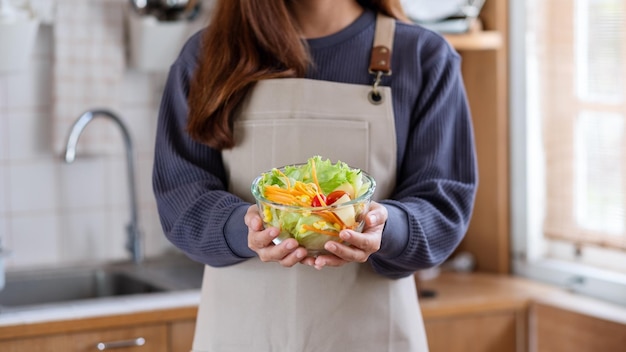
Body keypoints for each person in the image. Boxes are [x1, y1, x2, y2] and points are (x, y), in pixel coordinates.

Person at [152, 0, 478, 351]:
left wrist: (388, 227)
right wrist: (244, 227)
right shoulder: (206, 56)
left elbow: (443, 206)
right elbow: (181, 196)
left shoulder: (423, 56)